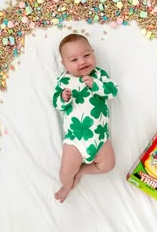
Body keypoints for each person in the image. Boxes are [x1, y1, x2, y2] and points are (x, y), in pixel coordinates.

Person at [53, 33, 118, 203]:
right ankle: (67, 186)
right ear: (64, 64)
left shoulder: (99, 75)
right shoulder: (64, 81)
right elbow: (57, 104)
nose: (82, 62)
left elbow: (113, 91)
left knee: (108, 165)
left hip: (99, 137)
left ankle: (82, 170)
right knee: (66, 172)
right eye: (74, 60)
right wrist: (63, 98)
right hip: (76, 139)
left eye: (86, 55)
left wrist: (96, 86)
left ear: (93, 53)